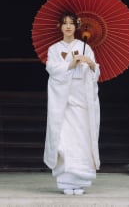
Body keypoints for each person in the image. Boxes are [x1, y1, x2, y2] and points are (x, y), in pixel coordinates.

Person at [43, 10, 100, 195]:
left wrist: (90, 64)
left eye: (71, 23)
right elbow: (51, 69)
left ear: (76, 26)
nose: (68, 26)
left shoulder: (85, 47)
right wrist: (70, 64)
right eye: (64, 23)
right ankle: (66, 183)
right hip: (63, 102)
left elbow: (95, 73)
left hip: (81, 100)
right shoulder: (54, 49)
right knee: (63, 141)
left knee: (81, 141)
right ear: (59, 27)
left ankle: (80, 182)